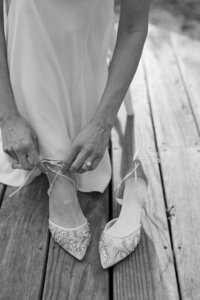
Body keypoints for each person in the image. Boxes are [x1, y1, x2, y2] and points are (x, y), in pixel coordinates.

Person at [0, 0, 151, 267]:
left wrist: (102, 124)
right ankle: (60, 179)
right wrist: (8, 117)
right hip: (23, 43)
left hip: (87, 45)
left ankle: (58, 161)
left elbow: (133, 27)